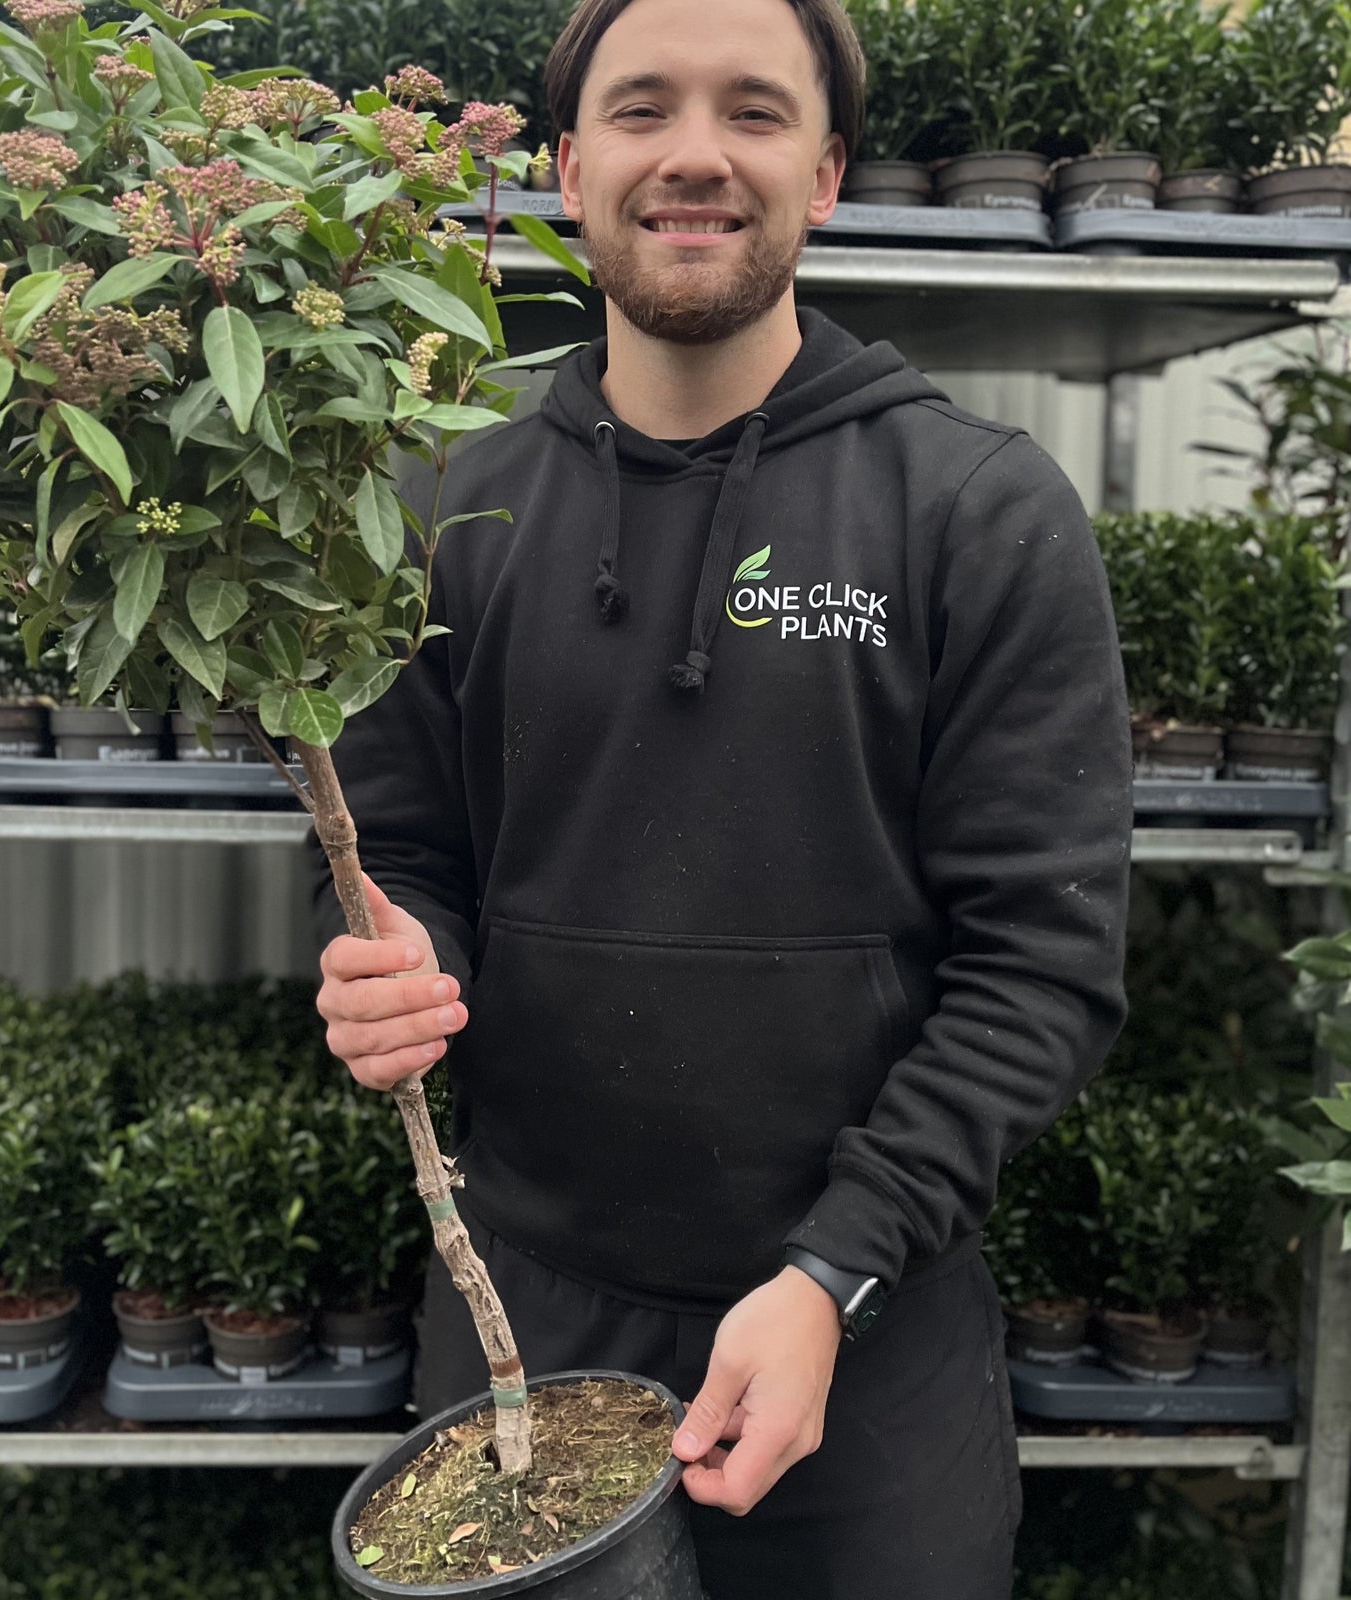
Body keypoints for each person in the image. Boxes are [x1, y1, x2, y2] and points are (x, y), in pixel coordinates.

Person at [311, 0, 1132, 1591]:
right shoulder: (439, 507)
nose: (695, 154)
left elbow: (1045, 959)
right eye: (642, 110)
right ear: (565, 167)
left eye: (753, 112)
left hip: (867, 1328)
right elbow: (402, 847)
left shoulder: (973, 510)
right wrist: (398, 968)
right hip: (522, 1324)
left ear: (823, 175)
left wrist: (836, 1270)